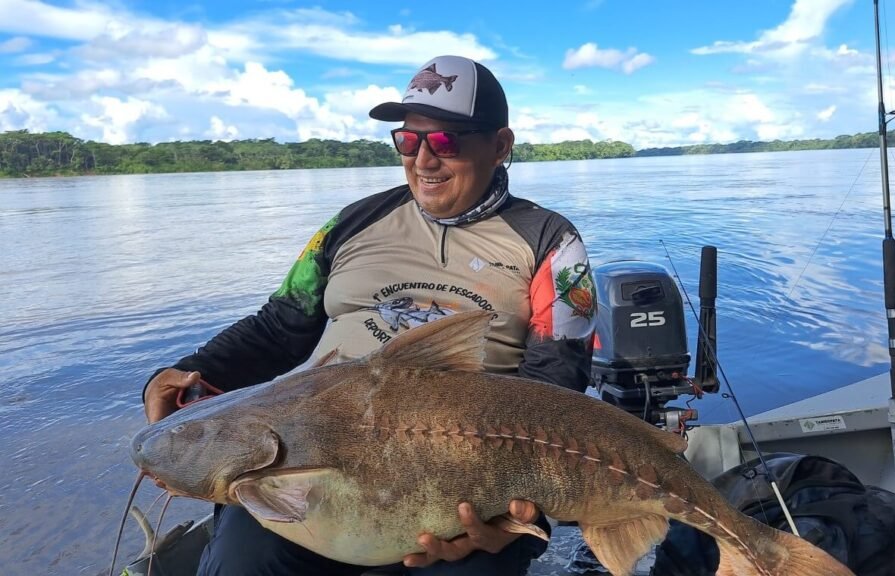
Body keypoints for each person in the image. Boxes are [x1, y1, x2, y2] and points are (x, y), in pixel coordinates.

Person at [142, 55, 598, 576]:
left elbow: (556, 382)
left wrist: (513, 507)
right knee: (242, 561)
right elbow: (279, 326)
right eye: (409, 141)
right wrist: (180, 376)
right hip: (314, 459)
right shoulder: (352, 223)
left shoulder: (551, 244)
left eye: (445, 141)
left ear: (500, 146)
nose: (423, 160)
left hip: (468, 471)